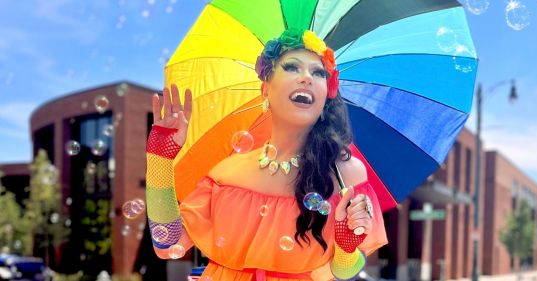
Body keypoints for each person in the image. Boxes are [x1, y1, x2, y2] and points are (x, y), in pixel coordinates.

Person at [145, 29, 387, 280]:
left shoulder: (346, 174)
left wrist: (347, 248)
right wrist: (159, 160)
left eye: (318, 73)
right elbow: (167, 244)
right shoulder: (227, 171)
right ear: (265, 90)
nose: (306, 78)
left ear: (327, 94)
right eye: (292, 67)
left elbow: (344, 271)